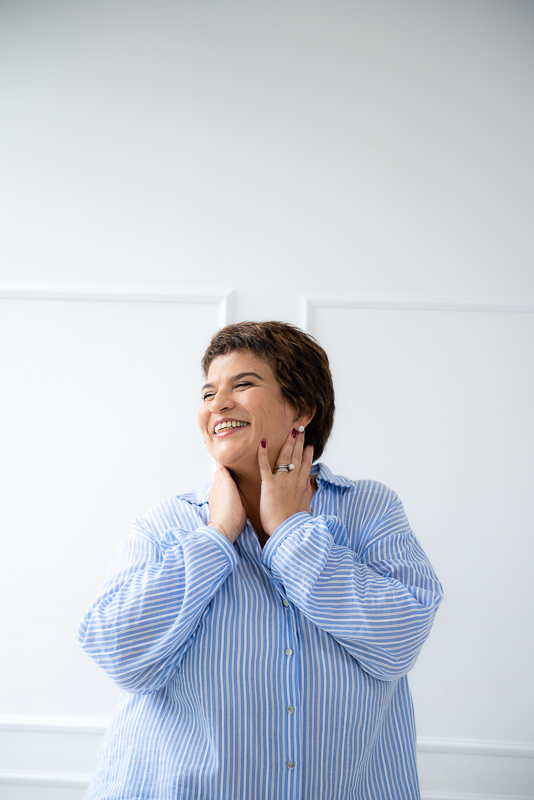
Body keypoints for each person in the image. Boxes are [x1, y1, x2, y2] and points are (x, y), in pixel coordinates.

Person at [79, 320, 443, 800]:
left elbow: (400, 641)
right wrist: (216, 536)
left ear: (303, 409)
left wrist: (291, 532)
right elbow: (120, 655)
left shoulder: (370, 510)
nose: (218, 404)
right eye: (208, 393)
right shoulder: (167, 522)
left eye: (242, 384)